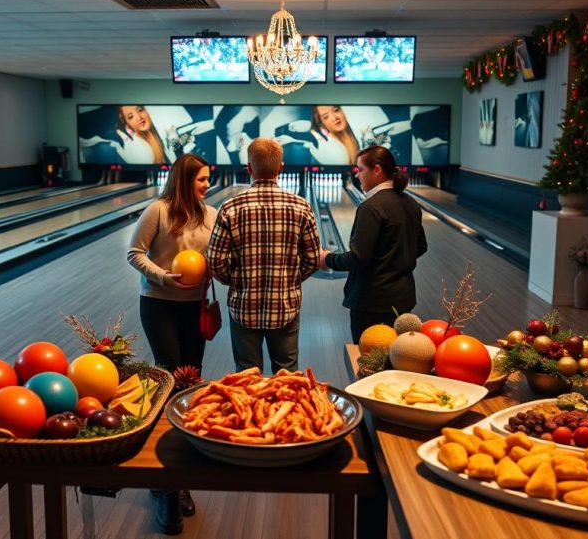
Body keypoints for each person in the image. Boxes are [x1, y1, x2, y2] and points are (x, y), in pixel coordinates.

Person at [126, 152, 215, 534]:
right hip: (159, 305)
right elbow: (134, 254)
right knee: (169, 382)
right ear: (183, 180)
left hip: (193, 309)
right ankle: (166, 485)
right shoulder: (157, 211)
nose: (206, 185)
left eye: (209, 180)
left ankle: (179, 475)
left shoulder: (210, 215)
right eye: (201, 180)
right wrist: (164, 277)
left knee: (191, 385)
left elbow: (217, 257)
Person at [207, 137, 321, 374]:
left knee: (247, 376)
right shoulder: (301, 207)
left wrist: (235, 281)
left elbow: (215, 261)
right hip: (285, 305)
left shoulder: (230, 208)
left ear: (248, 168)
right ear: (281, 168)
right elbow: (313, 259)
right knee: (287, 374)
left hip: (243, 306)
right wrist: (289, 281)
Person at [319, 146, 428, 344]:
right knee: (400, 361)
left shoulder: (370, 208)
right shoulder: (410, 203)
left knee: (369, 365)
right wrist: (393, 263)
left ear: (376, 170)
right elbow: (420, 247)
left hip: (372, 304)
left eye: (360, 170)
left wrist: (327, 259)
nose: (357, 175)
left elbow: (357, 257)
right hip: (403, 299)